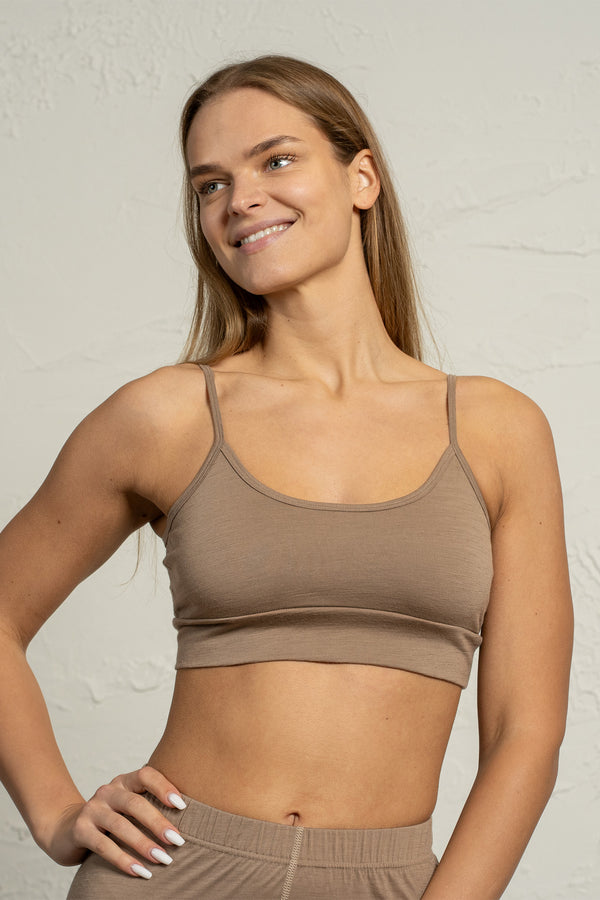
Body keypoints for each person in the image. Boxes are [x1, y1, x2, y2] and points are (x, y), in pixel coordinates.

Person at [0, 55, 573, 900]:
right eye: (209, 185)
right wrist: (54, 813)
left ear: (361, 178)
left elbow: (526, 732)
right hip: (167, 875)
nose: (240, 201)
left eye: (276, 160)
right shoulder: (167, 416)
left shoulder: (498, 430)